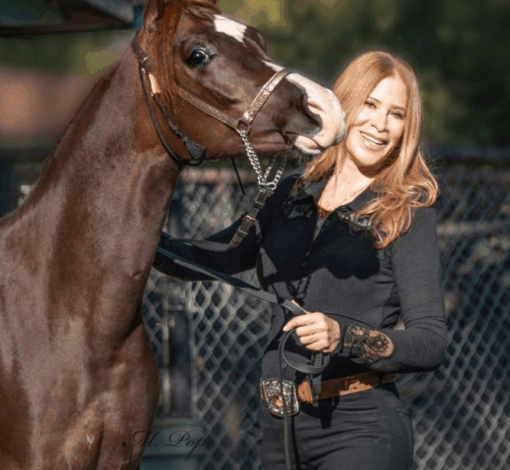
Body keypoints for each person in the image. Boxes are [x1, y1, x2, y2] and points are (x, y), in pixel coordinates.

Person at [154, 51, 447, 470]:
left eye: (396, 114)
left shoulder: (405, 211)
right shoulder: (291, 192)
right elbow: (214, 258)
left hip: (361, 428)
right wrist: (138, 241)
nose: (380, 124)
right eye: (369, 104)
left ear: (406, 128)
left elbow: (430, 341)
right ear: (344, 106)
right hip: (279, 428)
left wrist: (342, 336)